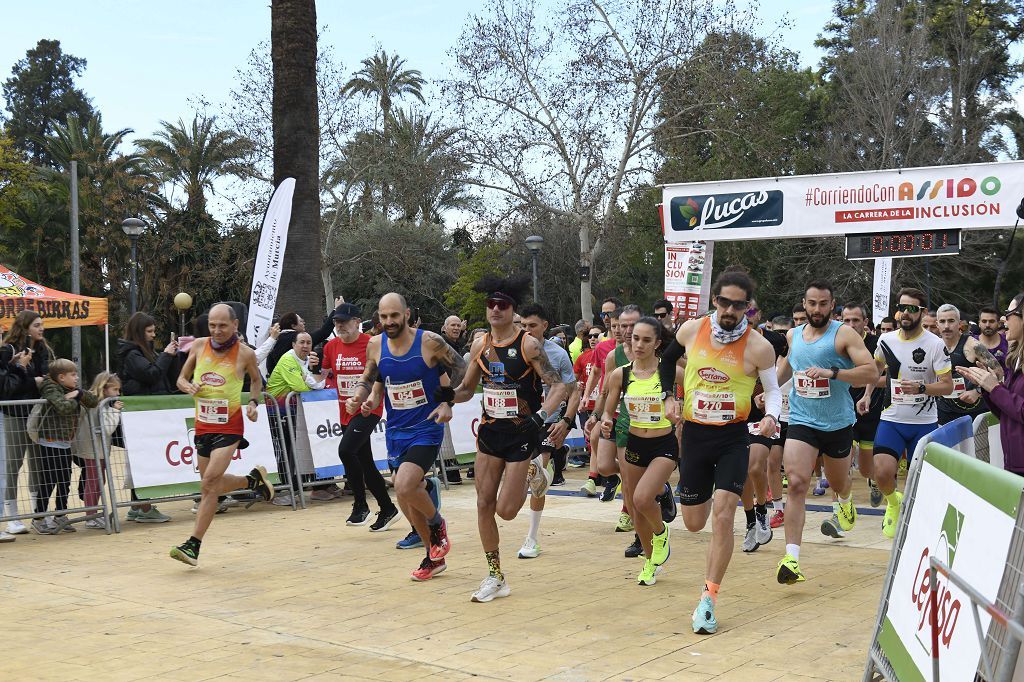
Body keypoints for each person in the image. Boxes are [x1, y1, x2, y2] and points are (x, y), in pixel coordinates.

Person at [661, 267, 781, 634]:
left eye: (738, 305)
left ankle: (708, 599)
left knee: (724, 516)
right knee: (695, 523)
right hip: (696, 436)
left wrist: (772, 416)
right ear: (715, 300)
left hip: (733, 438)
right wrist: (669, 396)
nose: (730, 310)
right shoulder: (692, 330)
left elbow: (773, 390)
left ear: (748, 307)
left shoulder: (759, 346)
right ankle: (678, 498)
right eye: (725, 302)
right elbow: (667, 361)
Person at [452, 276, 567, 602]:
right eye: (491, 305)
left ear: (511, 309)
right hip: (490, 432)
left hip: (521, 433)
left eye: (502, 305)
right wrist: (443, 396)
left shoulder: (528, 345)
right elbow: (464, 390)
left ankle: (536, 472)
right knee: (483, 503)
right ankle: (495, 575)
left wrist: (539, 418)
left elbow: (557, 387)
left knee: (506, 511)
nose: (496, 310)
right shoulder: (479, 346)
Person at [347, 293, 466, 581]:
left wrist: (448, 402)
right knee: (404, 495)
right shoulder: (375, 345)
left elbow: (462, 367)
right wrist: (364, 399)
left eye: (394, 316)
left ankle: (437, 525)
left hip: (426, 427)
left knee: (403, 483)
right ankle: (432, 557)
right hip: (396, 431)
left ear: (407, 314)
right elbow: (373, 379)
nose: (389, 322)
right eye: (384, 316)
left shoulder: (429, 342)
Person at [774, 282, 878, 582]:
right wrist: (766, 391)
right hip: (802, 420)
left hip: (837, 423)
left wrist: (833, 373)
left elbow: (871, 372)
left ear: (832, 305)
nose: (816, 309)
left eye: (822, 304)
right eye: (811, 303)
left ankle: (844, 501)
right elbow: (785, 370)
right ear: (804, 304)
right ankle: (792, 558)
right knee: (795, 483)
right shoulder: (793, 336)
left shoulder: (843, 333)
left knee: (838, 482)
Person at [170, 304, 276, 566]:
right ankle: (251, 482)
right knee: (212, 485)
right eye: (212, 325)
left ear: (235, 325)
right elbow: (180, 379)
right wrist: (187, 386)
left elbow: (256, 381)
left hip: (229, 426)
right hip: (203, 425)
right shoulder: (197, 346)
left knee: (208, 484)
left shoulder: (246, 354)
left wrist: (253, 403)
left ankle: (193, 545)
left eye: (223, 326)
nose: (217, 331)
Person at [861, 287, 952, 539]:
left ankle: (920, 526)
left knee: (920, 481)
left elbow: (948, 386)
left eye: (912, 309)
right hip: (892, 419)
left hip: (924, 423)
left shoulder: (935, 345)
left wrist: (922, 387)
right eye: (902, 308)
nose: (905, 314)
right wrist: (867, 394)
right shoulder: (885, 340)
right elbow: (874, 370)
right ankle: (893, 502)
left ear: (922, 312)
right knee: (881, 471)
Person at [601, 317, 682, 585]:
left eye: (646, 340)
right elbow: (609, 407)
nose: (639, 344)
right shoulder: (620, 374)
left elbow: (696, 391)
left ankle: (661, 533)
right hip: (635, 443)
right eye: (635, 338)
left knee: (644, 498)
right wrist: (604, 420)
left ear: (658, 343)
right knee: (636, 508)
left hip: (664, 444)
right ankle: (650, 562)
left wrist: (683, 413)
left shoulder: (671, 372)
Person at [320, 303, 401, 528]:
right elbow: (326, 375)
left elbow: (383, 373)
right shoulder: (331, 347)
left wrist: (368, 396)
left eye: (344, 321)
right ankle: (387, 508)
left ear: (357, 322)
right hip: (346, 410)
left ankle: (360, 504)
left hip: (369, 408)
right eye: (336, 322)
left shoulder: (371, 344)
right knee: (365, 462)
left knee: (346, 451)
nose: (339, 325)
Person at [517, 303, 578, 558]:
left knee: (537, 474)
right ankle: (551, 463)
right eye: (523, 326)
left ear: (544, 326)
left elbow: (573, 392)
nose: (527, 331)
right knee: (520, 480)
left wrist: (565, 420)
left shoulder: (559, 355)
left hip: (548, 423)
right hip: (520, 422)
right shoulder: (514, 349)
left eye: (532, 326)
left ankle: (531, 538)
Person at [30, 359, 99, 534]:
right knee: (49, 480)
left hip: (65, 443)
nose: (76, 378)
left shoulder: (71, 389)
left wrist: (78, 393)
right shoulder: (50, 388)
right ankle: (38, 517)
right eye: (73, 375)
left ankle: (60, 514)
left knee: (64, 479)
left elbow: (93, 401)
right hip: (50, 442)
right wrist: (76, 399)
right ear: (61, 377)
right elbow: (62, 407)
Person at [959, 293, 1024, 476]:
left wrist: (995, 388)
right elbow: (1007, 413)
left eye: (1008, 313)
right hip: (1014, 462)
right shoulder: (1017, 358)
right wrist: (987, 388)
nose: (1004, 320)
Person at [2, 310, 52, 535]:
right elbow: (7, 386)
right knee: (13, 464)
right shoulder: (8, 350)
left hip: (37, 414)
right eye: (37, 325)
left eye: (42, 324)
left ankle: (38, 513)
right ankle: (12, 515)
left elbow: (45, 377)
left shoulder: (41, 350)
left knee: (38, 463)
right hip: (14, 414)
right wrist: (32, 379)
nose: (41, 328)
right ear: (24, 327)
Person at [842, 302, 886, 513]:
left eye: (855, 320)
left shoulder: (878, 344)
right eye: (846, 320)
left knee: (867, 468)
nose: (850, 325)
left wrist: (863, 381)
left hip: (872, 411)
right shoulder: (836, 343)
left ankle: (875, 481)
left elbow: (891, 379)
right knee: (842, 462)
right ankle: (842, 507)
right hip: (842, 411)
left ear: (865, 322)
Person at [936, 304, 1001, 426]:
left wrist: (978, 391)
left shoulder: (973, 345)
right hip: (944, 412)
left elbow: (999, 373)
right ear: (937, 324)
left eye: (951, 321)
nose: (946, 326)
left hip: (974, 412)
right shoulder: (933, 345)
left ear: (959, 323)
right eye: (942, 321)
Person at [73, 372, 122, 530]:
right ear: (105, 388)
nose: (118, 393)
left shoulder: (97, 402)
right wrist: (115, 411)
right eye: (115, 390)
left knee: (98, 481)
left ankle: (93, 513)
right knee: (94, 481)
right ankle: (90, 516)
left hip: (97, 448)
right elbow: (108, 429)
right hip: (93, 448)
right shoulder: (99, 404)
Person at [265, 298, 341, 376]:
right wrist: (336, 309)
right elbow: (324, 332)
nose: (305, 345)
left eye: (308, 343)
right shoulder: (298, 337)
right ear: (293, 326)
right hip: (296, 382)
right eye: (301, 321)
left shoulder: (275, 340)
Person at [118, 312, 177, 396]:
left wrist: (172, 356)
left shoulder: (149, 352)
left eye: (154, 331)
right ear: (138, 332)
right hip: (144, 404)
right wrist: (166, 355)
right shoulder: (132, 355)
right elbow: (152, 375)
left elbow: (164, 375)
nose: (154, 335)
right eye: (149, 331)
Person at [977, 305, 1009, 372]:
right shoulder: (970, 342)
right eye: (984, 321)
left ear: (999, 324)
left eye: (991, 321)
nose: (987, 325)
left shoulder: (1008, 342)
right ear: (979, 323)